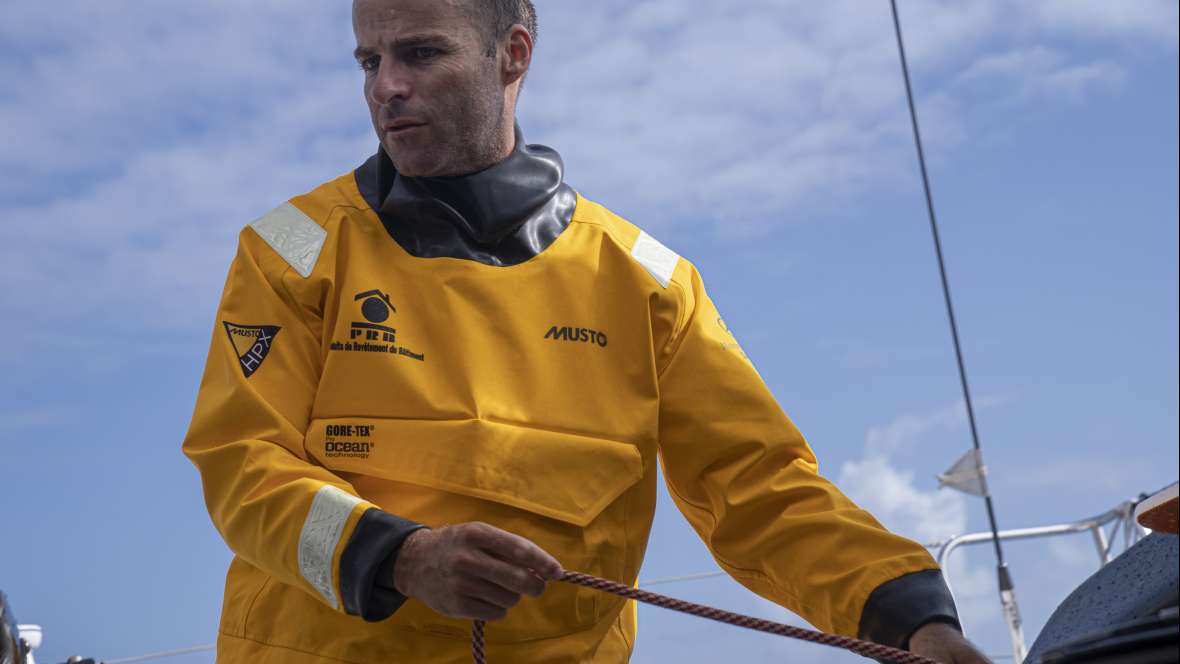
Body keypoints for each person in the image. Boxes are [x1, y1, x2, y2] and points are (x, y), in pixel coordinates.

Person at [182, 1, 992, 662]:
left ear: (515, 53)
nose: (386, 86)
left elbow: (762, 494)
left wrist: (911, 617)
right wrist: (398, 557)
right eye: (369, 60)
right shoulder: (293, 251)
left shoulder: (647, 284)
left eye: (421, 54)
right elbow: (243, 466)